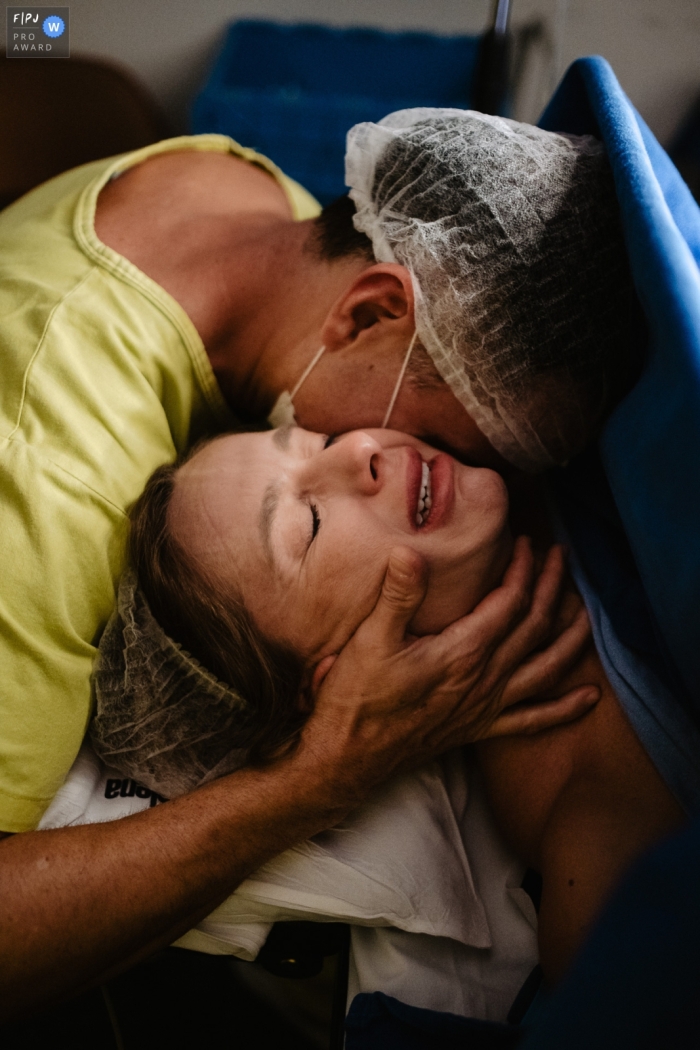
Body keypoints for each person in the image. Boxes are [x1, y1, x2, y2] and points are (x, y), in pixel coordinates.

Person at [0, 108, 628, 1014]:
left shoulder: (238, 195)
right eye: (479, 444)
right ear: (372, 310)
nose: (364, 453)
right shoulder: (44, 471)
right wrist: (317, 782)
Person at [92, 423, 684, 989]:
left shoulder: (533, 438)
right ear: (340, 687)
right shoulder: (610, 860)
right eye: (311, 523)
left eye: (317, 442)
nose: (359, 450)